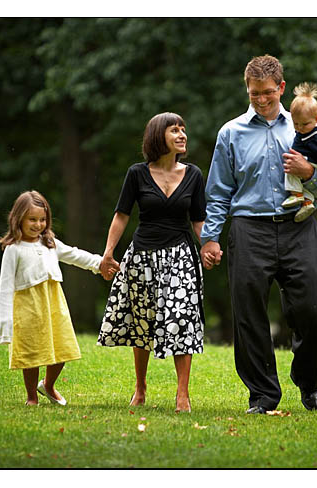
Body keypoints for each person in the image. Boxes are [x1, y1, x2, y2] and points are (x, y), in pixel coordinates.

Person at [200, 55, 317, 414]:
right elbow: (218, 192)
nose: (261, 100)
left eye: (268, 94)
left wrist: (308, 173)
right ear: (247, 89)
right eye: (254, 93)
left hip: (299, 227)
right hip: (249, 230)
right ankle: (262, 395)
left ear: (282, 88)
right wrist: (210, 237)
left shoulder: (304, 124)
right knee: (248, 314)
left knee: (316, 305)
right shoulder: (230, 133)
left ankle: (308, 383)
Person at [97, 112, 207, 413]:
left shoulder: (194, 175)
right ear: (159, 136)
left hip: (181, 255)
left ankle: (182, 394)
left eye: (184, 129)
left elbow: (199, 220)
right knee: (142, 321)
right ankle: (140, 387)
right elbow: (122, 215)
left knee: (181, 317)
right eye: (175, 130)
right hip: (142, 255)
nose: (182, 134)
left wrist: (209, 246)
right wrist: (108, 253)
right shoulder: (137, 173)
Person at [0, 190, 107, 406]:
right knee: (32, 352)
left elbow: (75, 255)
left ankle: (47, 384)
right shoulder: (13, 250)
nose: (38, 224)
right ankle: (31, 396)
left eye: (42, 219)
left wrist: (99, 263)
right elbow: (5, 287)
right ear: (18, 218)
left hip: (54, 303)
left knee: (63, 347)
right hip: (28, 308)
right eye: (32, 219)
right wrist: (5, 324)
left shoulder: (49, 243)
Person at [282, 82, 317, 222]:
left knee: (290, 168)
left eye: (304, 124)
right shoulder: (307, 129)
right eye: (296, 124)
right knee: (295, 170)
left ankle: (296, 194)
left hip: (314, 164)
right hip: (309, 162)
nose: (299, 128)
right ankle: (307, 203)